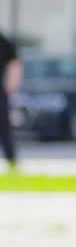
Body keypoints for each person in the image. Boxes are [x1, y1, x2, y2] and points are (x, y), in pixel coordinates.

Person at [0, 30, 22, 170]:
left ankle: (12, 161)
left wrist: (11, 85)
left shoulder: (3, 42)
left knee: (4, 128)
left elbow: (14, 63)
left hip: (0, 93)